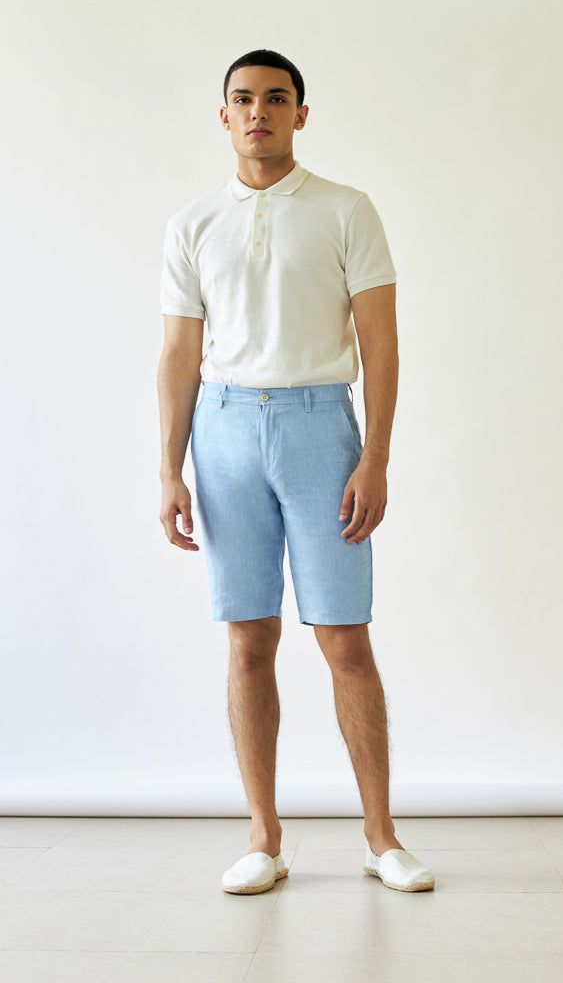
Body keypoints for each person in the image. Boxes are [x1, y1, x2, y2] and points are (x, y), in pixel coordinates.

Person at [157, 49, 434, 895]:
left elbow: (381, 343)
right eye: (243, 99)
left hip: (320, 428)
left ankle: (381, 838)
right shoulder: (193, 223)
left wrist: (376, 456)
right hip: (224, 431)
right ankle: (264, 839)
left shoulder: (346, 210)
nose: (259, 112)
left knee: (344, 637)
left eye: (276, 99)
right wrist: (169, 469)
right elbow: (179, 354)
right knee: (249, 639)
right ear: (224, 115)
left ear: (300, 115)